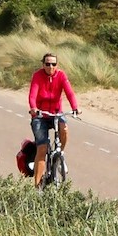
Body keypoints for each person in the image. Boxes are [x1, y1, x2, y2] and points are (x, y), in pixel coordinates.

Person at [28, 52, 79, 185]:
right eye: (47, 64)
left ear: (57, 65)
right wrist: (34, 108)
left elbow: (70, 93)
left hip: (56, 113)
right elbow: (32, 95)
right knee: (42, 148)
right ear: (43, 64)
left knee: (64, 128)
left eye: (53, 64)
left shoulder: (61, 75)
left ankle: (60, 155)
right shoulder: (37, 76)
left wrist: (75, 107)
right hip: (40, 115)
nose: (51, 67)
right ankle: (37, 186)